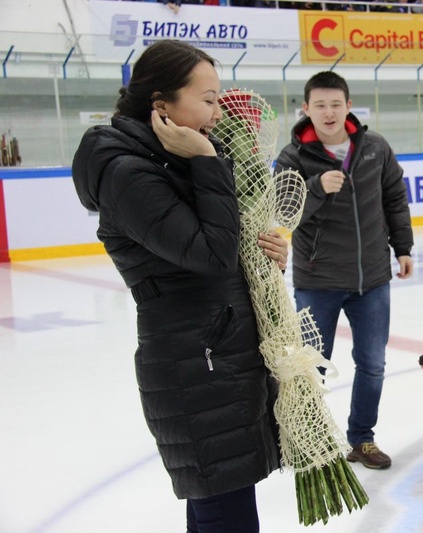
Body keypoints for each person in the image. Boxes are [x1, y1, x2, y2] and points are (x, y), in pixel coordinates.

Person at [71, 39, 286, 533]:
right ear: (161, 105)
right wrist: (209, 159)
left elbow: (224, 248)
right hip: (197, 364)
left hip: (219, 355)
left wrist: (267, 254)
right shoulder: (127, 173)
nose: (216, 112)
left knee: (221, 506)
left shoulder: (170, 162)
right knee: (224, 512)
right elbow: (210, 256)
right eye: (207, 100)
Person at [275, 71, 414, 470]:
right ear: (306, 109)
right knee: (313, 365)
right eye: (320, 105)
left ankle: (362, 439)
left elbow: (394, 198)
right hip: (318, 279)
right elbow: (284, 213)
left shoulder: (374, 147)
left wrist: (402, 248)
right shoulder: (293, 157)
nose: (329, 112)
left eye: (336, 104)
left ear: (348, 106)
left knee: (373, 364)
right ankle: (311, 440)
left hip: (372, 278)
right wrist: (316, 187)